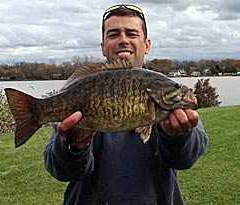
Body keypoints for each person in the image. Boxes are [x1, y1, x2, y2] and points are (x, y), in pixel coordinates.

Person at [44, 4, 208, 205]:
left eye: (131, 33)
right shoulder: (81, 88)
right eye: (113, 34)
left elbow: (185, 159)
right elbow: (60, 170)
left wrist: (179, 137)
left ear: (146, 44)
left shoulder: (166, 91)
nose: (123, 40)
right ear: (103, 46)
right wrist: (73, 147)